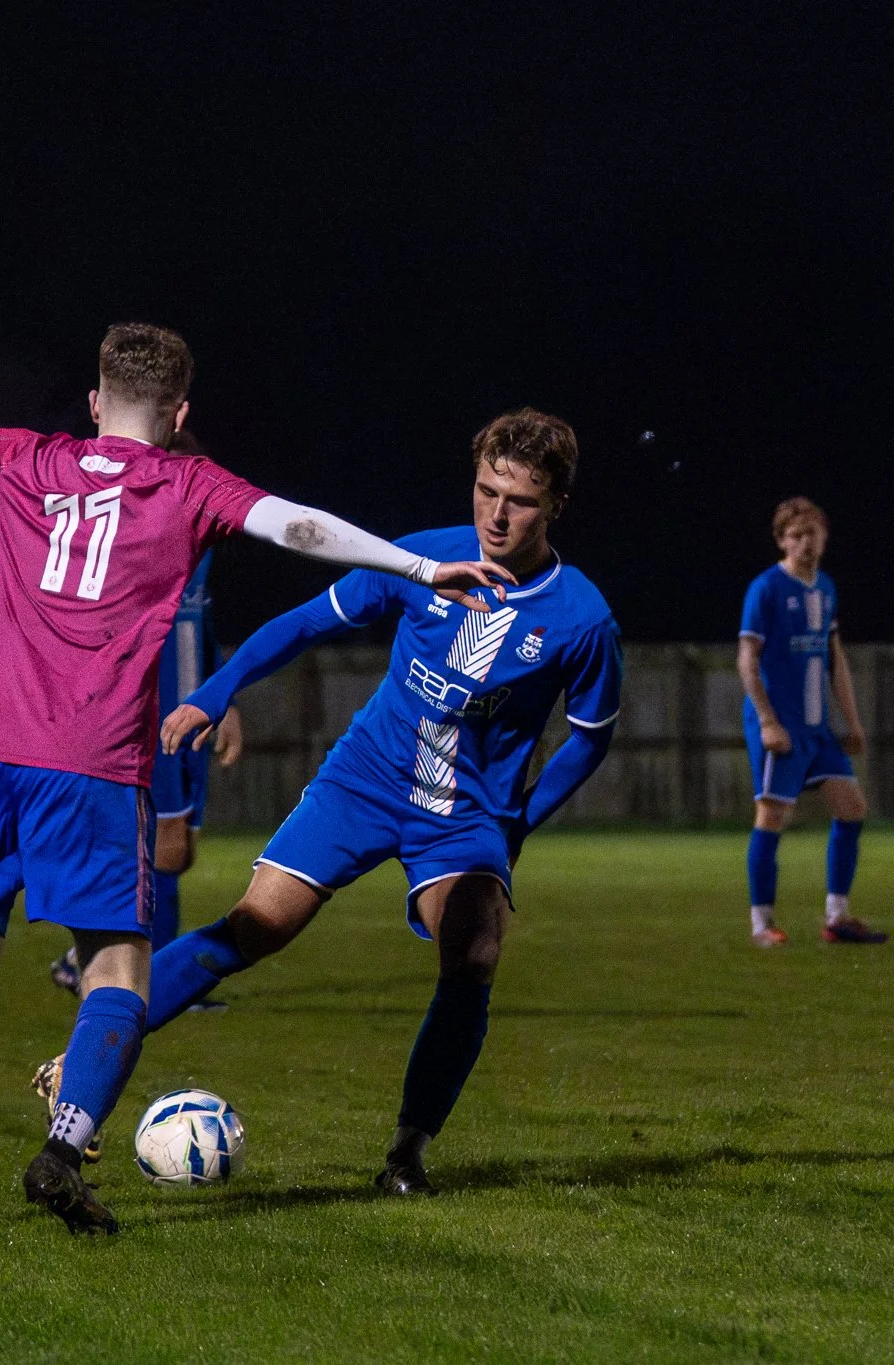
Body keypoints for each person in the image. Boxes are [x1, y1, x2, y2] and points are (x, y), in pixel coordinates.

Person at [0, 323, 512, 1235]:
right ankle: (62, 1152)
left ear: (95, 402)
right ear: (180, 415)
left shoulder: (22, 457)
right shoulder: (188, 485)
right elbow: (296, 524)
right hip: (93, 764)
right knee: (117, 976)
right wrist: (419, 565)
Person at [82, 408, 620, 1196]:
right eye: (485, 490)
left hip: (465, 815)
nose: (497, 514)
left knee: (474, 951)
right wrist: (216, 690)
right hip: (365, 780)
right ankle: (82, 1064)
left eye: (521, 500)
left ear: (558, 505)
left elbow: (590, 738)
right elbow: (307, 623)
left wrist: (519, 821)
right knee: (255, 927)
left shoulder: (581, 617)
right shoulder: (420, 559)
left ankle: (407, 1152)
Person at [49, 431, 242, 993]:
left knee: (176, 853)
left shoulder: (199, 546)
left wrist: (224, 700)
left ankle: (92, 962)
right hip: (152, 717)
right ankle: (142, 981)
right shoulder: (132, 547)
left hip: (192, 712)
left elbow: (200, 627)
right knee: (164, 849)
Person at [736, 496, 887, 947]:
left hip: (817, 728)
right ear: (781, 541)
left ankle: (837, 918)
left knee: (852, 808)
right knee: (772, 815)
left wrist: (852, 722)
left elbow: (834, 660)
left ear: (824, 538)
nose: (805, 542)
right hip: (780, 724)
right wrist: (767, 721)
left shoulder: (826, 589)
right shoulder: (766, 588)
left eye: (812, 534)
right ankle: (762, 925)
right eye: (795, 535)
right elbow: (746, 659)